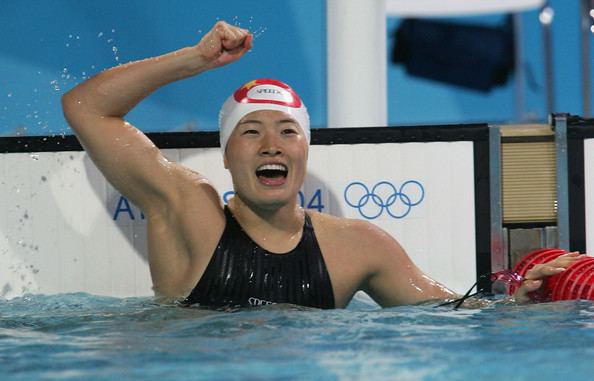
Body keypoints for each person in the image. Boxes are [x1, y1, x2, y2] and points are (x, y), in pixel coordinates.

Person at [61, 21, 580, 309]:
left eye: (288, 132)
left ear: (305, 150)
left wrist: (515, 303)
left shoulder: (357, 246)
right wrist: (194, 60)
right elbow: (85, 107)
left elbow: (448, 316)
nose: (271, 144)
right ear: (226, 153)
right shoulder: (187, 211)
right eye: (251, 131)